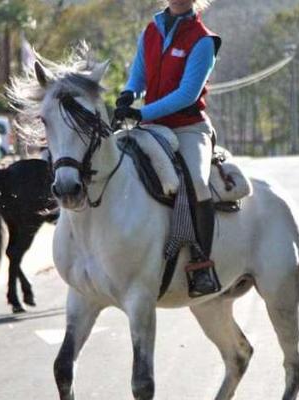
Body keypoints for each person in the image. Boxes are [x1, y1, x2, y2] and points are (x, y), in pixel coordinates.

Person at [114, 0, 222, 297]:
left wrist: (141, 114)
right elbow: (138, 75)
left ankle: (202, 264)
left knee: (198, 184)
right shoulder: (150, 30)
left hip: (188, 127)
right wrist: (127, 95)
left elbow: (188, 94)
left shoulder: (203, 41)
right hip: (150, 127)